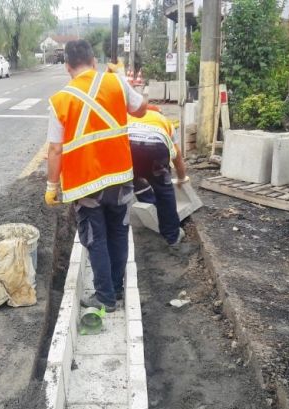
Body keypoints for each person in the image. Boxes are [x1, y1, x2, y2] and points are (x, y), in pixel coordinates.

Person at [44, 40, 147, 312]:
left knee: (95, 239)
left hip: (86, 185)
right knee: (118, 234)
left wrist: (51, 186)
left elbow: (55, 150)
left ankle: (105, 297)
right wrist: (123, 78)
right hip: (119, 179)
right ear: (93, 61)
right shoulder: (116, 83)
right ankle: (115, 288)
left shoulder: (60, 101)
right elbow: (141, 109)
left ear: (67, 67)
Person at [128, 106, 189, 247]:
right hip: (156, 149)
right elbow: (177, 157)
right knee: (164, 192)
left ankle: (115, 229)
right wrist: (181, 178)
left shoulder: (129, 117)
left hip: (131, 147)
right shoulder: (165, 121)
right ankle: (172, 236)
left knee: (131, 179)